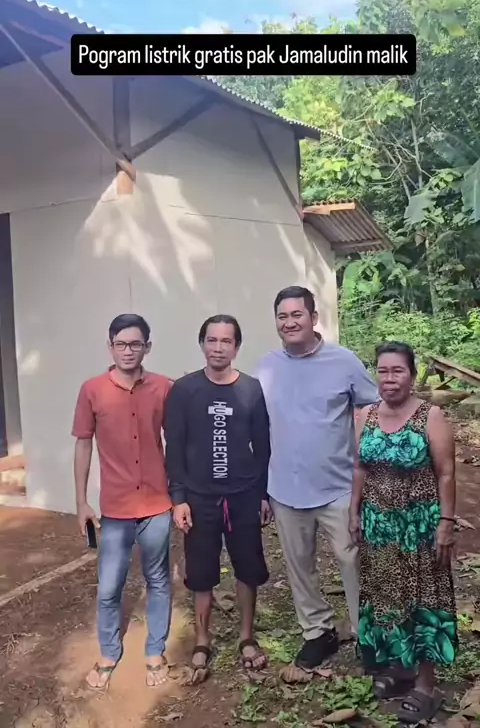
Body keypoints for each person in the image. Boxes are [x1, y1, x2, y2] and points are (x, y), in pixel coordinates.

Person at [254, 286, 378, 671]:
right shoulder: (267, 367)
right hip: (285, 488)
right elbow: (257, 426)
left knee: (352, 560)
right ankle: (317, 631)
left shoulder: (343, 361)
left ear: (313, 317)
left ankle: (366, 633)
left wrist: (367, 464)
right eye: (282, 316)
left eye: (297, 314)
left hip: (338, 486)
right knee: (299, 565)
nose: (289, 322)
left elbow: (372, 406)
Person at [350, 341, 457, 722]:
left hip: (419, 526)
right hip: (379, 525)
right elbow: (360, 468)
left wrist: (446, 523)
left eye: (398, 371)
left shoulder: (431, 416)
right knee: (386, 595)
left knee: (424, 600)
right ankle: (401, 667)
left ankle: (426, 686)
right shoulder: (365, 415)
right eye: (383, 371)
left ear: (411, 376)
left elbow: (446, 473)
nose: (389, 378)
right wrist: (354, 512)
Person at [164, 314, 271, 684]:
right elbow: (175, 448)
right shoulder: (184, 390)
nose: (218, 347)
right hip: (199, 498)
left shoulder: (251, 389)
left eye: (226, 341)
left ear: (237, 347)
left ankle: (246, 637)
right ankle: (202, 640)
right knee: (201, 574)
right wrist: (178, 498)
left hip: (243, 496)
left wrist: (263, 494)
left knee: (248, 568)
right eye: (212, 340)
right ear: (202, 344)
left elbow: (263, 447)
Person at [72, 313, 173, 691]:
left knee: (158, 580)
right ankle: (109, 652)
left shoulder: (164, 388)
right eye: (121, 344)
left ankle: (155, 651)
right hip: (115, 509)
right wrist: (81, 502)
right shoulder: (92, 390)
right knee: (109, 586)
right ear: (110, 347)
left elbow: (178, 441)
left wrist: (180, 496)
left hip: (157, 505)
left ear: (147, 347)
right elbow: (83, 444)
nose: (128, 350)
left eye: (135, 344)